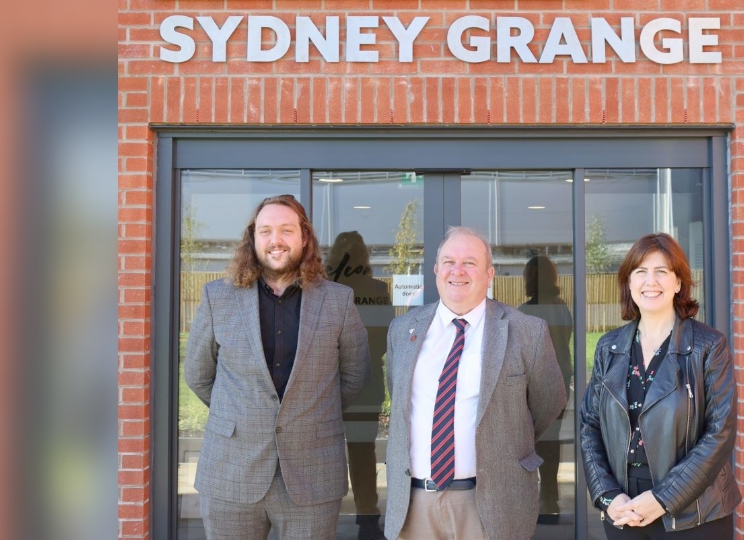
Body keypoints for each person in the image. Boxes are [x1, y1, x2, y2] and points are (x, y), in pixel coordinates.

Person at [185, 195, 371, 540]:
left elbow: (355, 375)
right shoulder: (217, 297)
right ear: (252, 239)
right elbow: (198, 374)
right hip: (231, 470)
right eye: (265, 231)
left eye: (286, 230)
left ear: (304, 237)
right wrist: (241, 414)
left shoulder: (338, 300)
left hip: (311, 474)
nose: (276, 240)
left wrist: (308, 414)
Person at [383, 227, 567, 540]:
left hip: (491, 503)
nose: (458, 270)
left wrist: (503, 437)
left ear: (489, 274)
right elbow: (398, 396)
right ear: (437, 270)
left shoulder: (527, 331)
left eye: (470, 262)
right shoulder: (403, 330)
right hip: (415, 506)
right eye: (449, 262)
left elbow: (549, 402)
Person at [580, 233, 740, 539]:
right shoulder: (608, 348)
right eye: (640, 272)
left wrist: (663, 498)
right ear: (629, 283)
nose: (650, 281)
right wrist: (607, 494)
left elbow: (720, 433)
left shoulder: (708, 346)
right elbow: (590, 426)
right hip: (625, 507)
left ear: (678, 283)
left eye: (661, 272)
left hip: (694, 512)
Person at [324, 231, 394, 540]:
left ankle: (323, 517)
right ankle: (367, 518)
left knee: (322, 452)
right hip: (367, 380)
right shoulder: (377, 290)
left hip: (326, 380)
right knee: (362, 453)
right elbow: (383, 340)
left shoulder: (324, 289)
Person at [518, 255, 573, 523]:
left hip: (533, 386)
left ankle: (538, 499)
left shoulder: (525, 311)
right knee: (551, 441)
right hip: (560, 381)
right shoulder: (562, 307)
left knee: (533, 443)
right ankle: (549, 497)